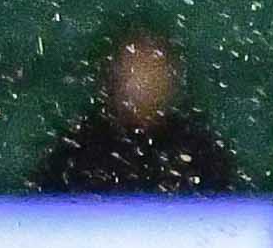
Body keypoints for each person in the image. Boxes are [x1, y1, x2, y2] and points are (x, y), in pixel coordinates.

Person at [29, 18, 242, 195]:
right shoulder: (77, 154)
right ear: (109, 77)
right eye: (133, 72)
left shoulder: (199, 154)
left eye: (152, 73)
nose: (142, 84)